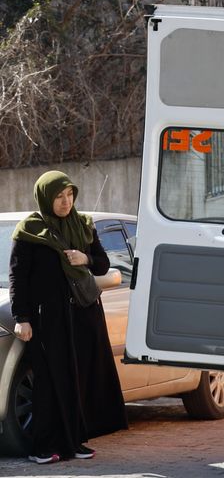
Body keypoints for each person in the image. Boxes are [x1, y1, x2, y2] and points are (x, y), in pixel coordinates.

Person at [10, 171, 127, 464]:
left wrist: (84, 258)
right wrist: (21, 317)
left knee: (81, 378)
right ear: (45, 198)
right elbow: (18, 277)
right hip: (47, 317)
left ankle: (74, 442)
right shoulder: (30, 231)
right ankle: (43, 446)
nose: (65, 202)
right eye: (59, 196)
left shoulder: (83, 225)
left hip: (83, 314)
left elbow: (102, 264)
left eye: (69, 195)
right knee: (49, 381)